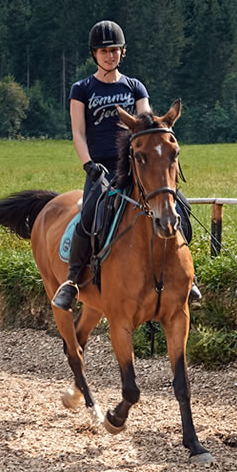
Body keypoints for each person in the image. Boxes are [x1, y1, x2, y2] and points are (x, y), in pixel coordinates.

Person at [51, 20, 200, 310]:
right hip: (101, 168)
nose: (110, 56)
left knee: (180, 205)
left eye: (115, 50)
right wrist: (88, 165)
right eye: (104, 51)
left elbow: (145, 125)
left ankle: (187, 276)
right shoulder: (82, 89)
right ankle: (71, 281)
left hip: (135, 164)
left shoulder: (134, 86)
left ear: (122, 52)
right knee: (90, 213)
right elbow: (78, 133)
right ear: (94, 54)